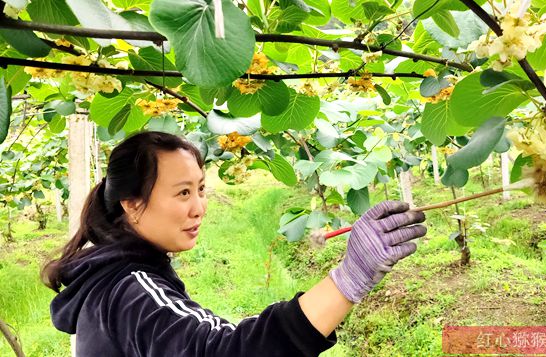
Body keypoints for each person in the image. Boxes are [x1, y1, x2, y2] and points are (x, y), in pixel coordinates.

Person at [41, 131, 427, 356]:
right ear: (132, 204)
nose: (199, 208)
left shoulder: (113, 276)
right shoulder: (132, 290)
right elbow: (225, 352)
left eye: (201, 190)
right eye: (181, 194)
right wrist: (348, 279)